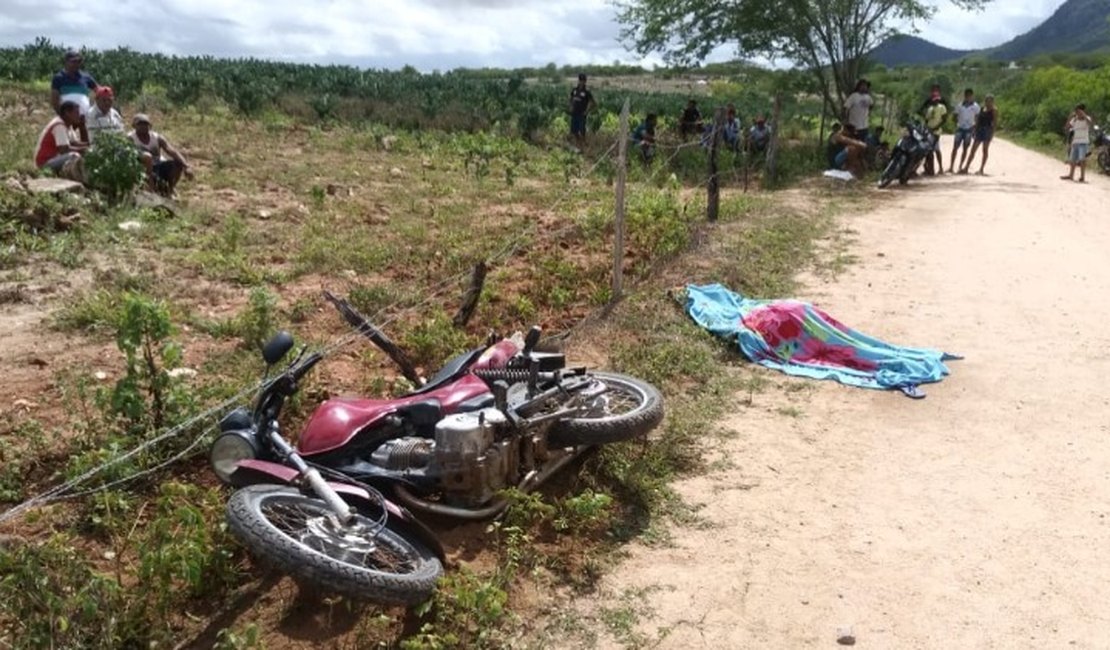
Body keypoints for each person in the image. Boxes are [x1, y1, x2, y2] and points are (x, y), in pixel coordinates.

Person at [128, 114, 193, 196]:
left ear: (150, 126)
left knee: (178, 163)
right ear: (134, 126)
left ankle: (170, 189)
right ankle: (150, 189)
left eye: (145, 124)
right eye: (140, 124)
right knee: (147, 157)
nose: (143, 127)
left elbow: (171, 151)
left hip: (158, 166)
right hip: (141, 169)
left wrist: (186, 166)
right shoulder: (130, 139)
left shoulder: (157, 138)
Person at [51, 49, 98, 144]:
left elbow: (98, 90)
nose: (76, 64)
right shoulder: (59, 78)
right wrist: (61, 114)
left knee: (85, 137)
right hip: (68, 114)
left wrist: (93, 107)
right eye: (73, 61)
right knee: (68, 138)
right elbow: (54, 98)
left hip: (84, 115)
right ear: (66, 62)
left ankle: (86, 153)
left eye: (78, 61)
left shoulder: (86, 77)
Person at [34, 100, 88, 181]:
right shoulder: (59, 125)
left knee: (81, 154)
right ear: (67, 113)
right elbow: (64, 149)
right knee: (74, 155)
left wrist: (91, 145)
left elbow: (74, 143)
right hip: (44, 163)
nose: (78, 115)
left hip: (55, 158)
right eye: (76, 113)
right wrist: (84, 149)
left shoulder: (67, 125)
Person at [961, 94, 998, 175]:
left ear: (992, 101)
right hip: (980, 130)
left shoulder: (994, 110)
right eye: (987, 100)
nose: (988, 102)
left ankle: (981, 169)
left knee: (984, 150)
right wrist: (974, 129)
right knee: (973, 150)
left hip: (987, 130)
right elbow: (977, 120)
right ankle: (966, 167)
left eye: (990, 101)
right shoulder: (982, 109)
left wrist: (992, 134)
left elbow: (994, 123)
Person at [1061, 103, 1094, 183]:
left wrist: (1084, 115)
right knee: (1072, 160)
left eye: (1078, 111)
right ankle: (1071, 175)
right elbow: (1067, 127)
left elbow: (1090, 124)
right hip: (1075, 141)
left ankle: (1082, 177)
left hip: (1083, 142)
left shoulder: (1087, 118)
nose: (1077, 113)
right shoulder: (1075, 119)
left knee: (1082, 159)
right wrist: (1070, 118)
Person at [950, 88, 980, 173]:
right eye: (967, 96)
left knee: (965, 148)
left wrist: (975, 128)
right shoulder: (959, 105)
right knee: (955, 147)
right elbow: (954, 116)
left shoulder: (975, 106)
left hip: (969, 129)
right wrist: (956, 123)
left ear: (972, 96)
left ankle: (960, 166)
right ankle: (951, 166)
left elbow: (977, 118)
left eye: (969, 96)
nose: (968, 97)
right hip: (960, 128)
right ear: (965, 96)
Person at [920, 85, 948, 175]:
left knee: (934, 149)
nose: (935, 100)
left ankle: (938, 168)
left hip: (936, 131)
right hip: (929, 131)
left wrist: (936, 127)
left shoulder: (942, 107)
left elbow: (944, 119)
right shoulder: (929, 108)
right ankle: (929, 169)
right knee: (930, 150)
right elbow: (926, 118)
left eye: (937, 99)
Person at [568, 73, 596, 151]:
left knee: (582, 131)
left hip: (581, 114)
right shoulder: (574, 90)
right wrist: (570, 107)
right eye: (580, 80)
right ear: (578, 80)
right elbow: (570, 99)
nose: (581, 82)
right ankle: (578, 145)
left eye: (583, 81)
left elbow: (593, 103)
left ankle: (583, 147)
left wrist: (587, 111)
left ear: (585, 82)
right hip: (574, 114)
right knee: (574, 131)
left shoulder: (587, 92)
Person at [843, 79, 873, 143]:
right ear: (858, 86)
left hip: (864, 126)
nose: (864, 87)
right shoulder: (854, 96)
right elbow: (846, 107)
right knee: (854, 143)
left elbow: (871, 105)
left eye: (865, 86)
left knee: (863, 144)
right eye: (862, 85)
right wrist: (846, 120)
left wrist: (868, 113)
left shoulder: (868, 97)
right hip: (854, 126)